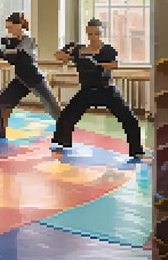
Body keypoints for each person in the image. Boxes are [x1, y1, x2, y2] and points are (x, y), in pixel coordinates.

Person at [52, 18, 144, 158]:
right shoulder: (80, 49)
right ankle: (62, 143)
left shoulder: (107, 49)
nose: (93, 37)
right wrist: (72, 53)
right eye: (90, 34)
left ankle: (136, 150)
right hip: (87, 90)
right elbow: (58, 56)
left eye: (96, 34)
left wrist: (97, 64)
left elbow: (115, 65)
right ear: (87, 34)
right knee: (67, 115)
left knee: (129, 118)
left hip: (107, 90)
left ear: (101, 33)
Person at [0, 12, 61, 141]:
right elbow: (13, 58)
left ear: (19, 25)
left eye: (10, 27)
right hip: (20, 80)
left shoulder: (27, 40)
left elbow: (19, 54)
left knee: (53, 107)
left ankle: (66, 131)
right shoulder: (14, 42)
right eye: (7, 28)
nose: (8, 31)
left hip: (35, 80)